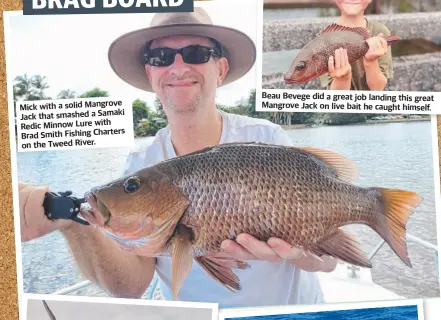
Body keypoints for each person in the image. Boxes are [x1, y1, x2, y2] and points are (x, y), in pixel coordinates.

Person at [19, 8, 337, 308]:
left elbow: (329, 261)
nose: (178, 66)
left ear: (221, 69)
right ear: (151, 73)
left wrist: (297, 251)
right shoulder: (140, 162)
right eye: (161, 57)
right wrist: (73, 221)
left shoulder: (268, 140)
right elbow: (131, 286)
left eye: (196, 54)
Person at [319, 0, 394, 91]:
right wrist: (343, 78)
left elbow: (378, 88)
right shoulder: (323, 39)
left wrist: (371, 62)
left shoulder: (381, 31)